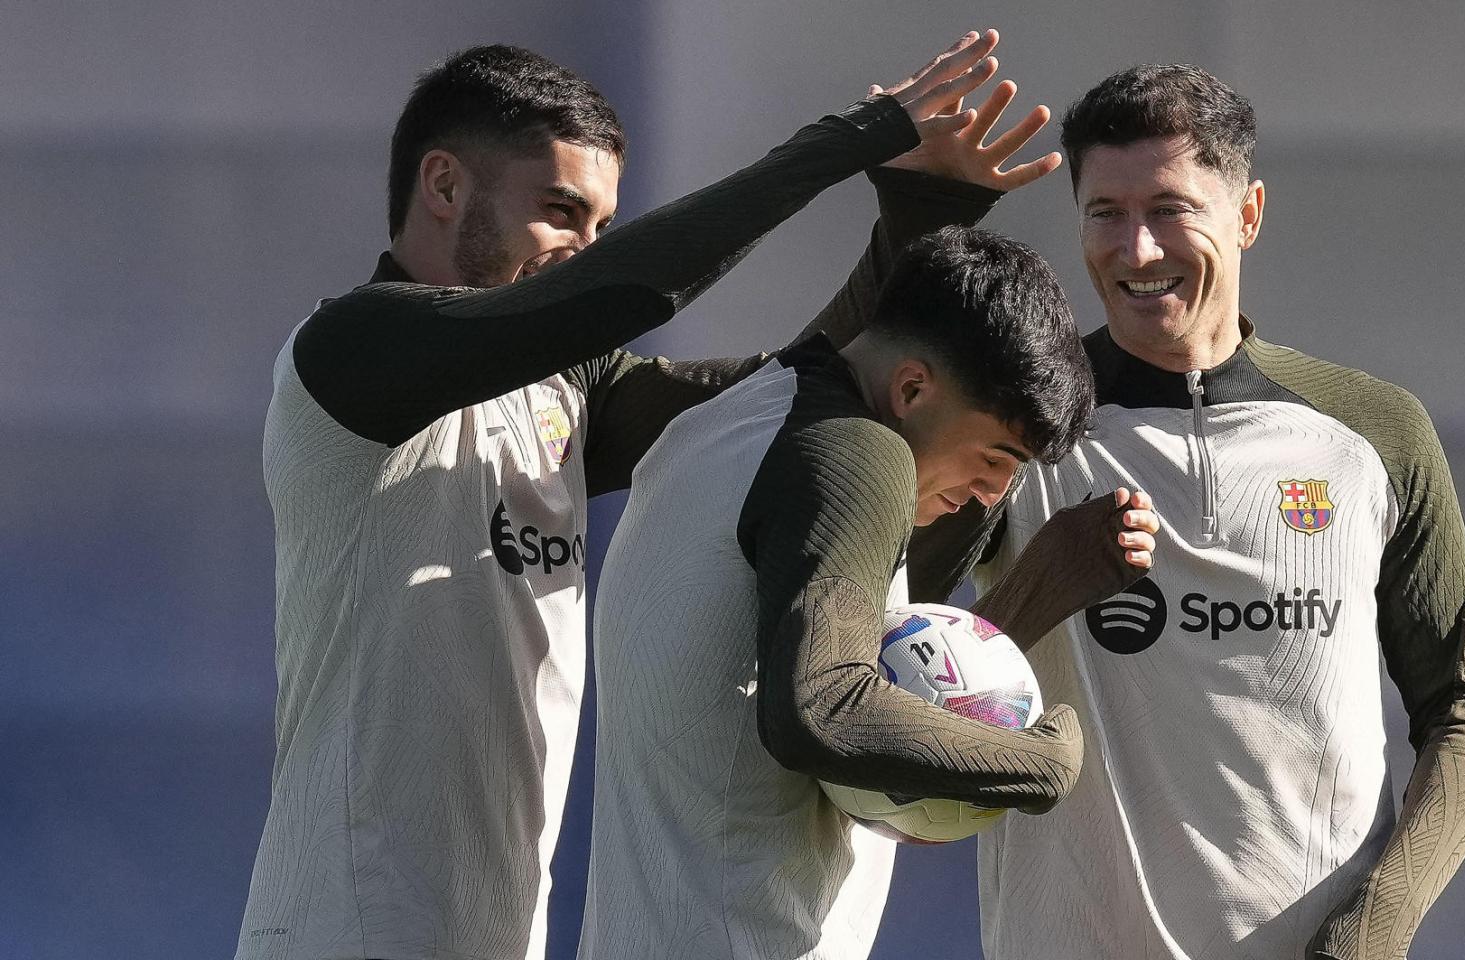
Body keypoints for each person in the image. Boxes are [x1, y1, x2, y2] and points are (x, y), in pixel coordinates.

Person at [236, 32, 1063, 960]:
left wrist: (917, 217)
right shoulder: (347, 352)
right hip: (341, 927)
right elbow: (618, 294)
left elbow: (791, 396)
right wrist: (845, 141)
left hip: (496, 934)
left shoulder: (562, 392)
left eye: (600, 228)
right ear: (443, 184)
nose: (582, 251)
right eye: (560, 211)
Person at [912, 64, 1465, 960]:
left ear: (1248, 215)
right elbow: (885, 678)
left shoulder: (1373, 431)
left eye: (1170, 209)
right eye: (1105, 213)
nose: (1136, 250)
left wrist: (1376, 924)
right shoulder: (1014, 424)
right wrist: (1043, 580)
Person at [579, 225, 1156, 960]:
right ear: (912, 388)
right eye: (996, 456)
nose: (992, 493)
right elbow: (825, 710)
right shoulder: (860, 452)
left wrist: (1042, 585)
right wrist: (1040, 762)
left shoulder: (733, 416)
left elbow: (840, 706)